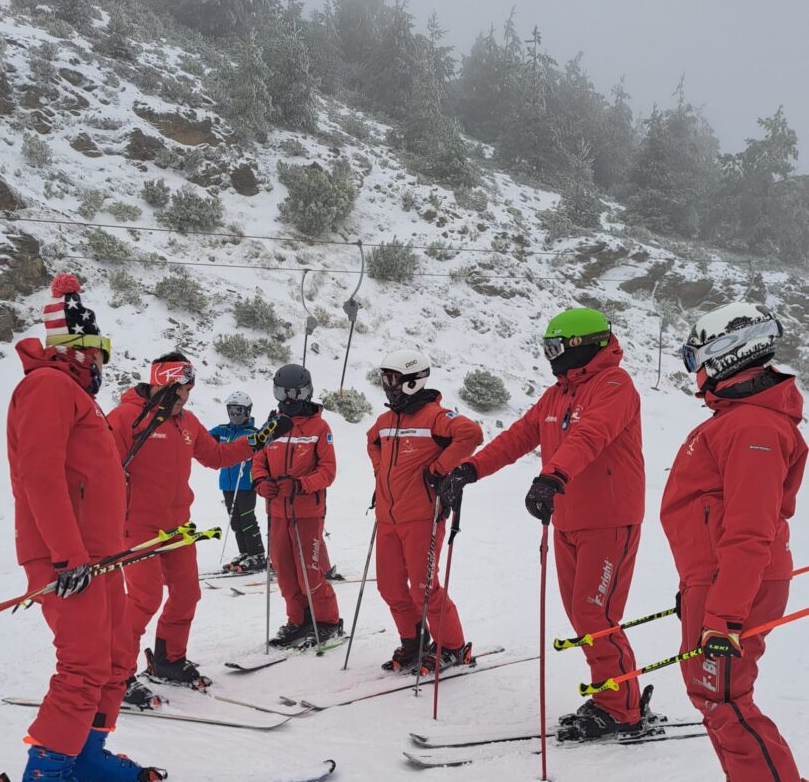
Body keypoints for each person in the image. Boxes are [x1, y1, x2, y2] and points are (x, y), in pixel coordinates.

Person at [438, 308, 647, 739]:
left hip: (608, 518)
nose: (550, 357)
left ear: (581, 345)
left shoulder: (614, 385)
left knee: (595, 613)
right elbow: (518, 436)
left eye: (556, 348)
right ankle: (609, 696)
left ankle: (621, 708)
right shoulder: (557, 394)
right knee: (581, 615)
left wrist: (552, 476)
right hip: (567, 518)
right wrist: (470, 469)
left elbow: (590, 434)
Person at [6, 273, 162, 782]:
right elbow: (41, 476)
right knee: (84, 661)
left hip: (99, 557)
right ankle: (45, 779)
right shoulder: (47, 387)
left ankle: (86, 752)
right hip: (67, 559)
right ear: (79, 350)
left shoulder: (73, 394)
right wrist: (68, 557)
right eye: (100, 353)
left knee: (116, 654)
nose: (102, 364)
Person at [661, 302, 809, 782]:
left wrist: (724, 615)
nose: (695, 370)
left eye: (696, 357)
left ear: (727, 354)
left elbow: (750, 529)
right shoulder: (739, 420)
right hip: (717, 579)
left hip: (736, 583)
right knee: (710, 691)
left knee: (726, 695)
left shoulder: (752, 426)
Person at [108, 353, 291, 703]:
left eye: (189, 390)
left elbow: (217, 456)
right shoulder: (126, 418)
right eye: (182, 389)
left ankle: (168, 661)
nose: (186, 396)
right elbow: (100, 470)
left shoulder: (186, 422)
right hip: (137, 526)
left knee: (187, 594)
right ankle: (114, 676)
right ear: (165, 384)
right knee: (145, 599)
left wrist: (260, 439)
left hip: (177, 526)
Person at [367, 350, 483, 673]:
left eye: (393, 379)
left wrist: (440, 468)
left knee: (424, 590)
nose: (388, 386)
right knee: (390, 587)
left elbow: (471, 433)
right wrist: (380, 473)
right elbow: (371, 441)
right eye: (385, 379)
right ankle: (413, 642)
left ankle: (453, 647)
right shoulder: (386, 421)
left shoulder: (434, 416)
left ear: (412, 381)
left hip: (422, 517)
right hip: (387, 518)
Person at [253, 364, 342, 647]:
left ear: (307, 392)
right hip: (276, 511)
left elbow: (328, 471)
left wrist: (300, 485)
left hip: (307, 512)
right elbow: (258, 459)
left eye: (296, 393)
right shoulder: (272, 424)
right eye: (283, 392)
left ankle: (327, 621)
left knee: (309, 571)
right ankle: (298, 619)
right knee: (285, 572)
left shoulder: (319, 428)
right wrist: (260, 482)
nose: (289, 399)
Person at [210, 390, 267, 575]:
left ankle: (257, 555)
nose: (235, 415)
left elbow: (263, 452)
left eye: (239, 410)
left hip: (245, 484)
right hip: (227, 484)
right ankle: (245, 553)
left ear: (247, 411)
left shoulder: (252, 433)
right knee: (235, 521)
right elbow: (204, 440)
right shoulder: (222, 430)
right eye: (232, 410)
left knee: (247, 520)